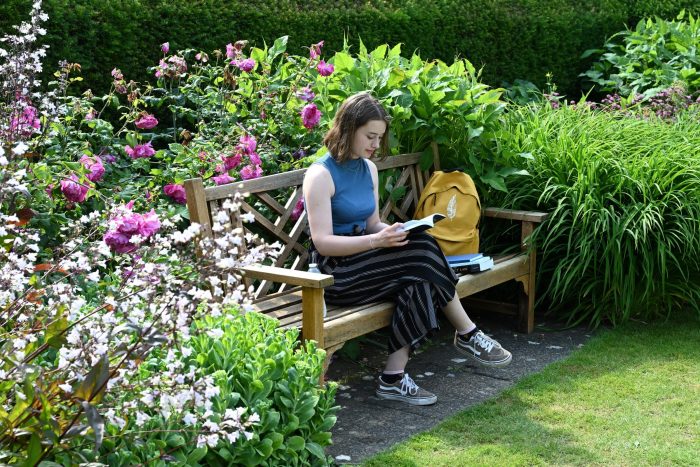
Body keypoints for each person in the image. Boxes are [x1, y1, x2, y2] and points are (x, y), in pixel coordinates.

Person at [302, 92, 512, 406]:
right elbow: (322, 242)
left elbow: (372, 221)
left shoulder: (368, 169)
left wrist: (389, 232)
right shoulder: (320, 175)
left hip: (365, 261)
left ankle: (393, 378)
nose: (375, 145)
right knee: (421, 256)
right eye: (370, 136)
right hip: (334, 274)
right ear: (347, 129)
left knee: (418, 267)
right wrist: (377, 241)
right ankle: (467, 334)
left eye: (379, 138)